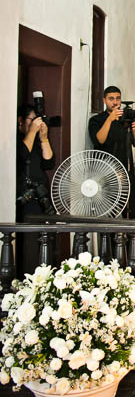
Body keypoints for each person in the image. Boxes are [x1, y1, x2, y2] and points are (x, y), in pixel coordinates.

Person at [88, 85, 135, 218]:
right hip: (105, 174)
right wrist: (110, 119)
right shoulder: (96, 120)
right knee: (110, 214)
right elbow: (99, 140)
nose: (115, 102)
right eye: (111, 99)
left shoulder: (127, 119)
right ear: (104, 100)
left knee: (131, 214)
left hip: (126, 172)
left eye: (118, 99)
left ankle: (132, 238)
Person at [16, 103, 55, 275]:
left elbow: (48, 162)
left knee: (45, 241)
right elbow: (22, 155)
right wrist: (32, 131)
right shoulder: (18, 141)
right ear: (21, 121)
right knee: (29, 245)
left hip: (41, 198)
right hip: (26, 200)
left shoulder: (36, 143)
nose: (36, 124)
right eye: (33, 120)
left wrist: (44, 137)